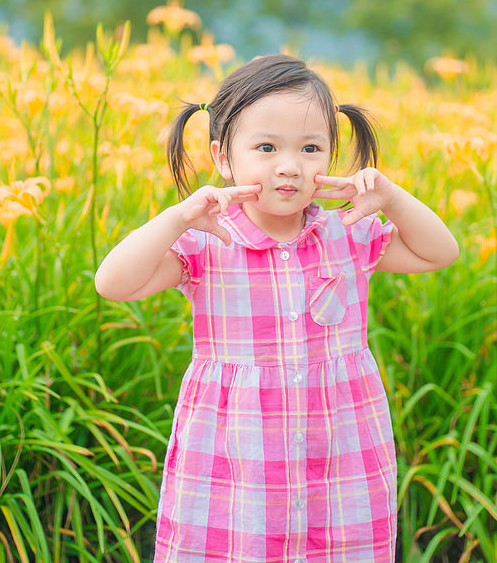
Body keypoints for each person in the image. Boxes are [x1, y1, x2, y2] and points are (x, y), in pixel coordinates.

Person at [95, 53, 458, 563]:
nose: (291, 165)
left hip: (337, 452)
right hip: (237, 454)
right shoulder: (209, 241)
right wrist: (178, 217)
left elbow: (441, 251)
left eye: (311, 148)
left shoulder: (346, 232)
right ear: (223, 157)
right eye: (266, 147)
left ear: (331, 156)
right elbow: (113, 283)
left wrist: (393, 199)